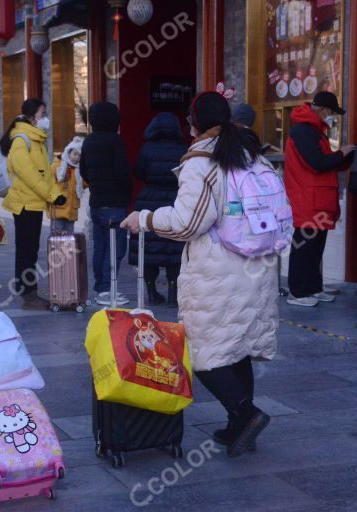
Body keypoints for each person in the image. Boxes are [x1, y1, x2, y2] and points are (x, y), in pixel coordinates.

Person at [121, 91, 277, 458]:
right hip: (257, 266)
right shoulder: (251, 154)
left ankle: (247, 414)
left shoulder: (203, 161)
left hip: (218, 269)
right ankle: (240, 425)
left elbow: (187, 223)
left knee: (202, 352)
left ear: (194, 125)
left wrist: (144, 219)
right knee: (236, 348)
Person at [284, 91, 354, 307]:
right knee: (304, 247)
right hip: (308, 197)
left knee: (316, 247)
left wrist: (344, 158)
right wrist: (341, 153)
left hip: (320, 197)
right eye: (332, 112)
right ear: (324, 110)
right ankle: (297, 292)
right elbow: (317, 163)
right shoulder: (303, 130)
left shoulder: (314, 130)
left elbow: (325, 164)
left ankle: (313, 288)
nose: (332, 117)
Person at [0, 98, 66, 310]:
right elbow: (29, 175)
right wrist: (51, 195)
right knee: (26, 250)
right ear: (31, 117)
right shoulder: (22, 141)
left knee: (30, 249)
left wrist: (54, 193)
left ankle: (30, 290)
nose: (45, 119)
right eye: (42, 114)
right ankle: (27, 294)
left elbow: (43, 175)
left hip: (34, 203)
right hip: (25, 204)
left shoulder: (36, 140)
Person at [127, 113, 187, 307]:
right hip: (174, 200)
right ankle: (172, 293)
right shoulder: (183, 149)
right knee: (174, 250)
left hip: (149, 199)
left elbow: (138, 172)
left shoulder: (147, 149)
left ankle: (152, 292)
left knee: (148, 251)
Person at [80, 101, 132, 306]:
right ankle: (109, 289)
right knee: (116, 249)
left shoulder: (88, 141)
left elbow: (84, 171)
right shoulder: (115, 141)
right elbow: (122, 173)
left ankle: (101, 289)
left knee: (100, 247)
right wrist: (127, 191)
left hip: (96, 203)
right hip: (115, 204)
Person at [49, 136, 84, 233]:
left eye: (80, 156)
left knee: (69, 239)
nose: (77, 157)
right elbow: (48, 182)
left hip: (71, 211)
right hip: (58, 208)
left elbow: (84, 184)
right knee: (57, 238)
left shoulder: (79, 169)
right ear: (68, 152)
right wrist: (52, 198)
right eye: (75, 154)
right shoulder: (58, 165)